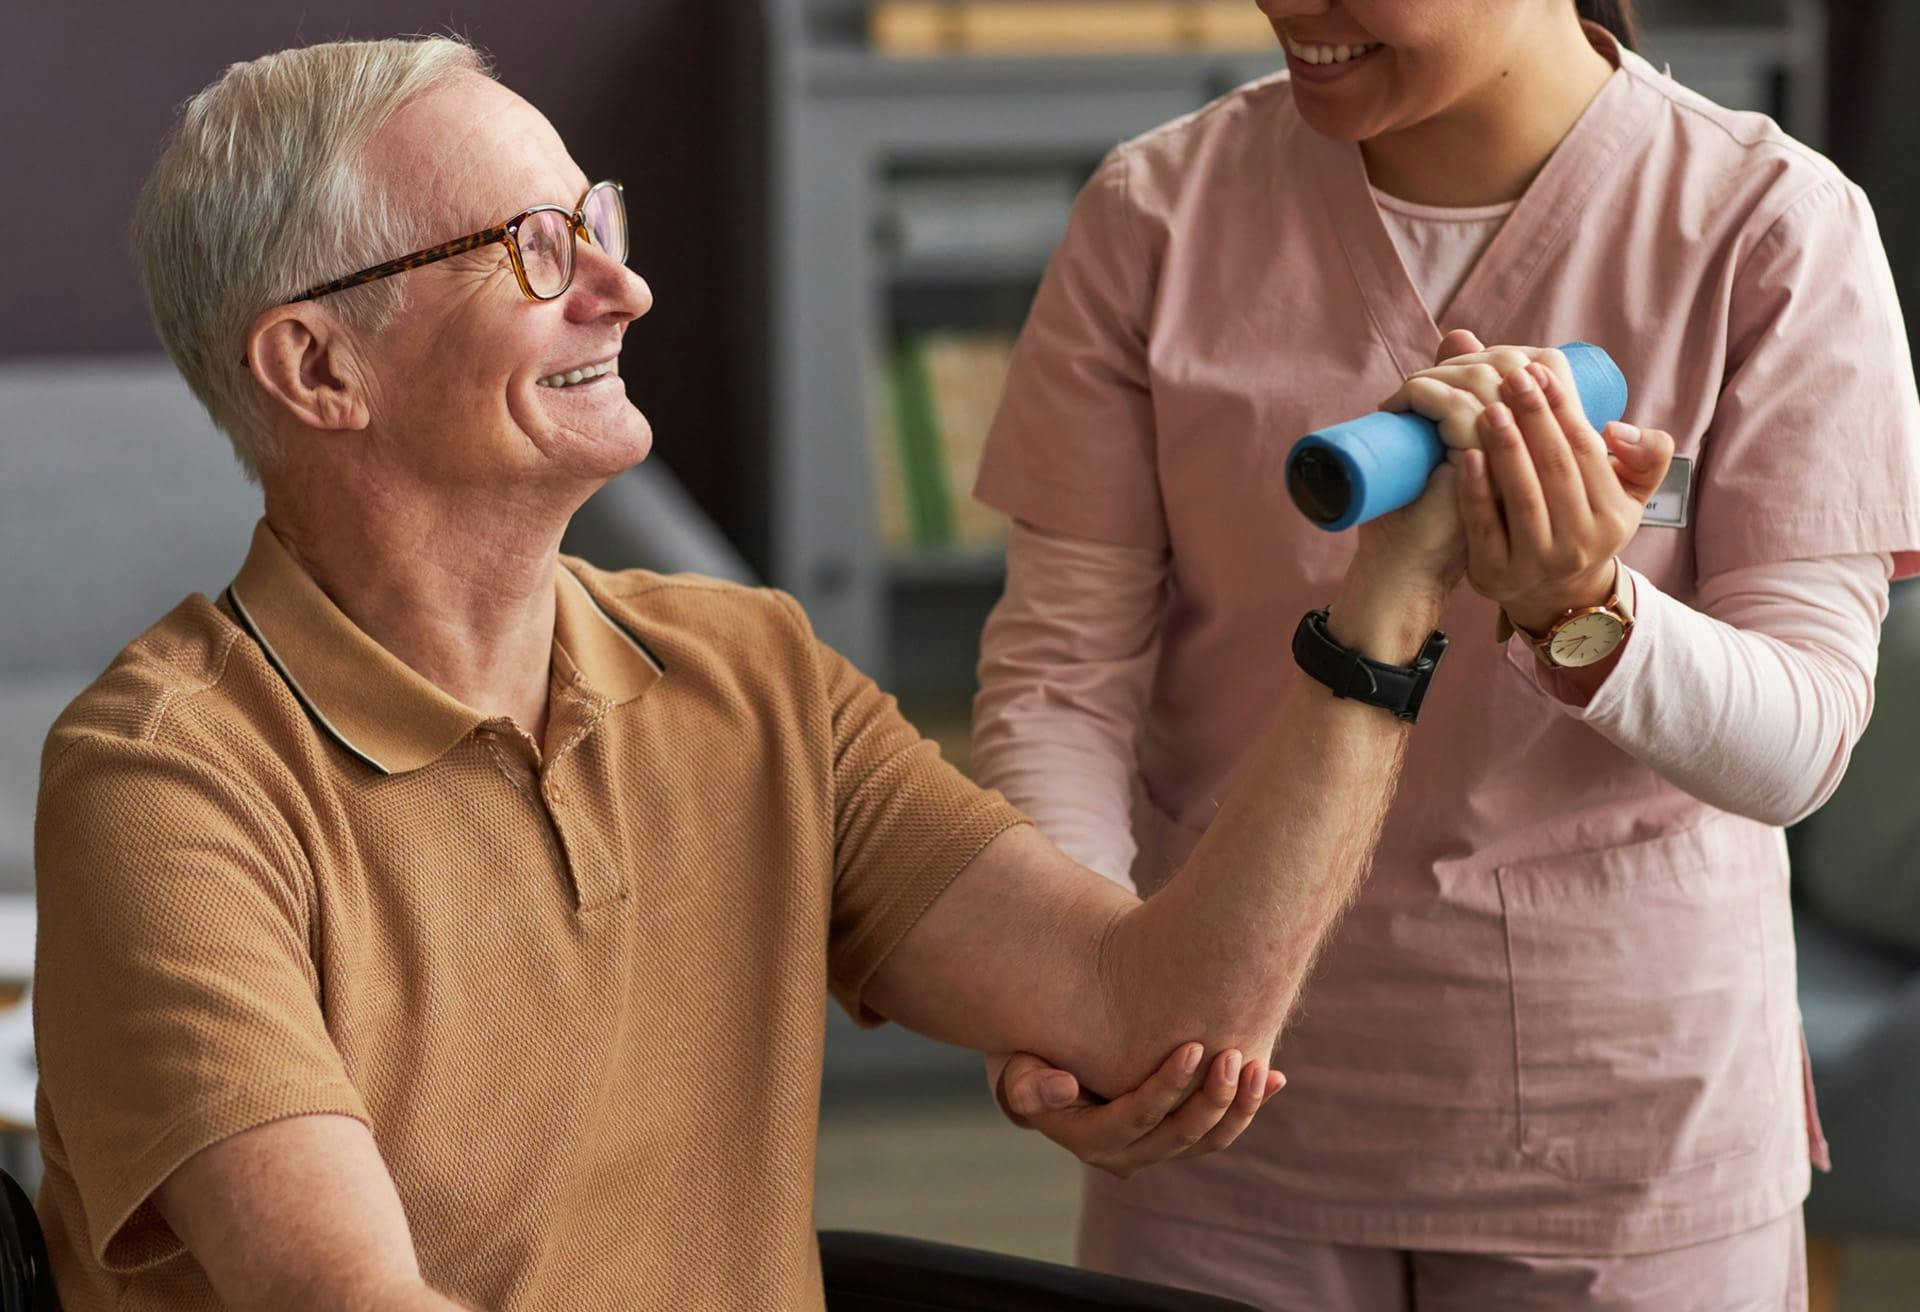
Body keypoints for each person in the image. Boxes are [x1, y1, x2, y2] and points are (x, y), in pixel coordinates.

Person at [26, 35, 1671, 1312]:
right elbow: (349, 1297)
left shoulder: (747, 674)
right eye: (532, 249)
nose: (625, 284)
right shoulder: (166, 781)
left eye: (597, 219)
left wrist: (1391, 597)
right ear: (318, 368)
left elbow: (1155, 1011)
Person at [971, 0, 1920, 1308]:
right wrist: (1077, 996)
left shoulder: (1771, 228)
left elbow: (1801, 744)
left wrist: (1590, 612)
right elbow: (1061, 684)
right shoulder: (1154, 218)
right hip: (1215, 1118)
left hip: (1623, 1141)